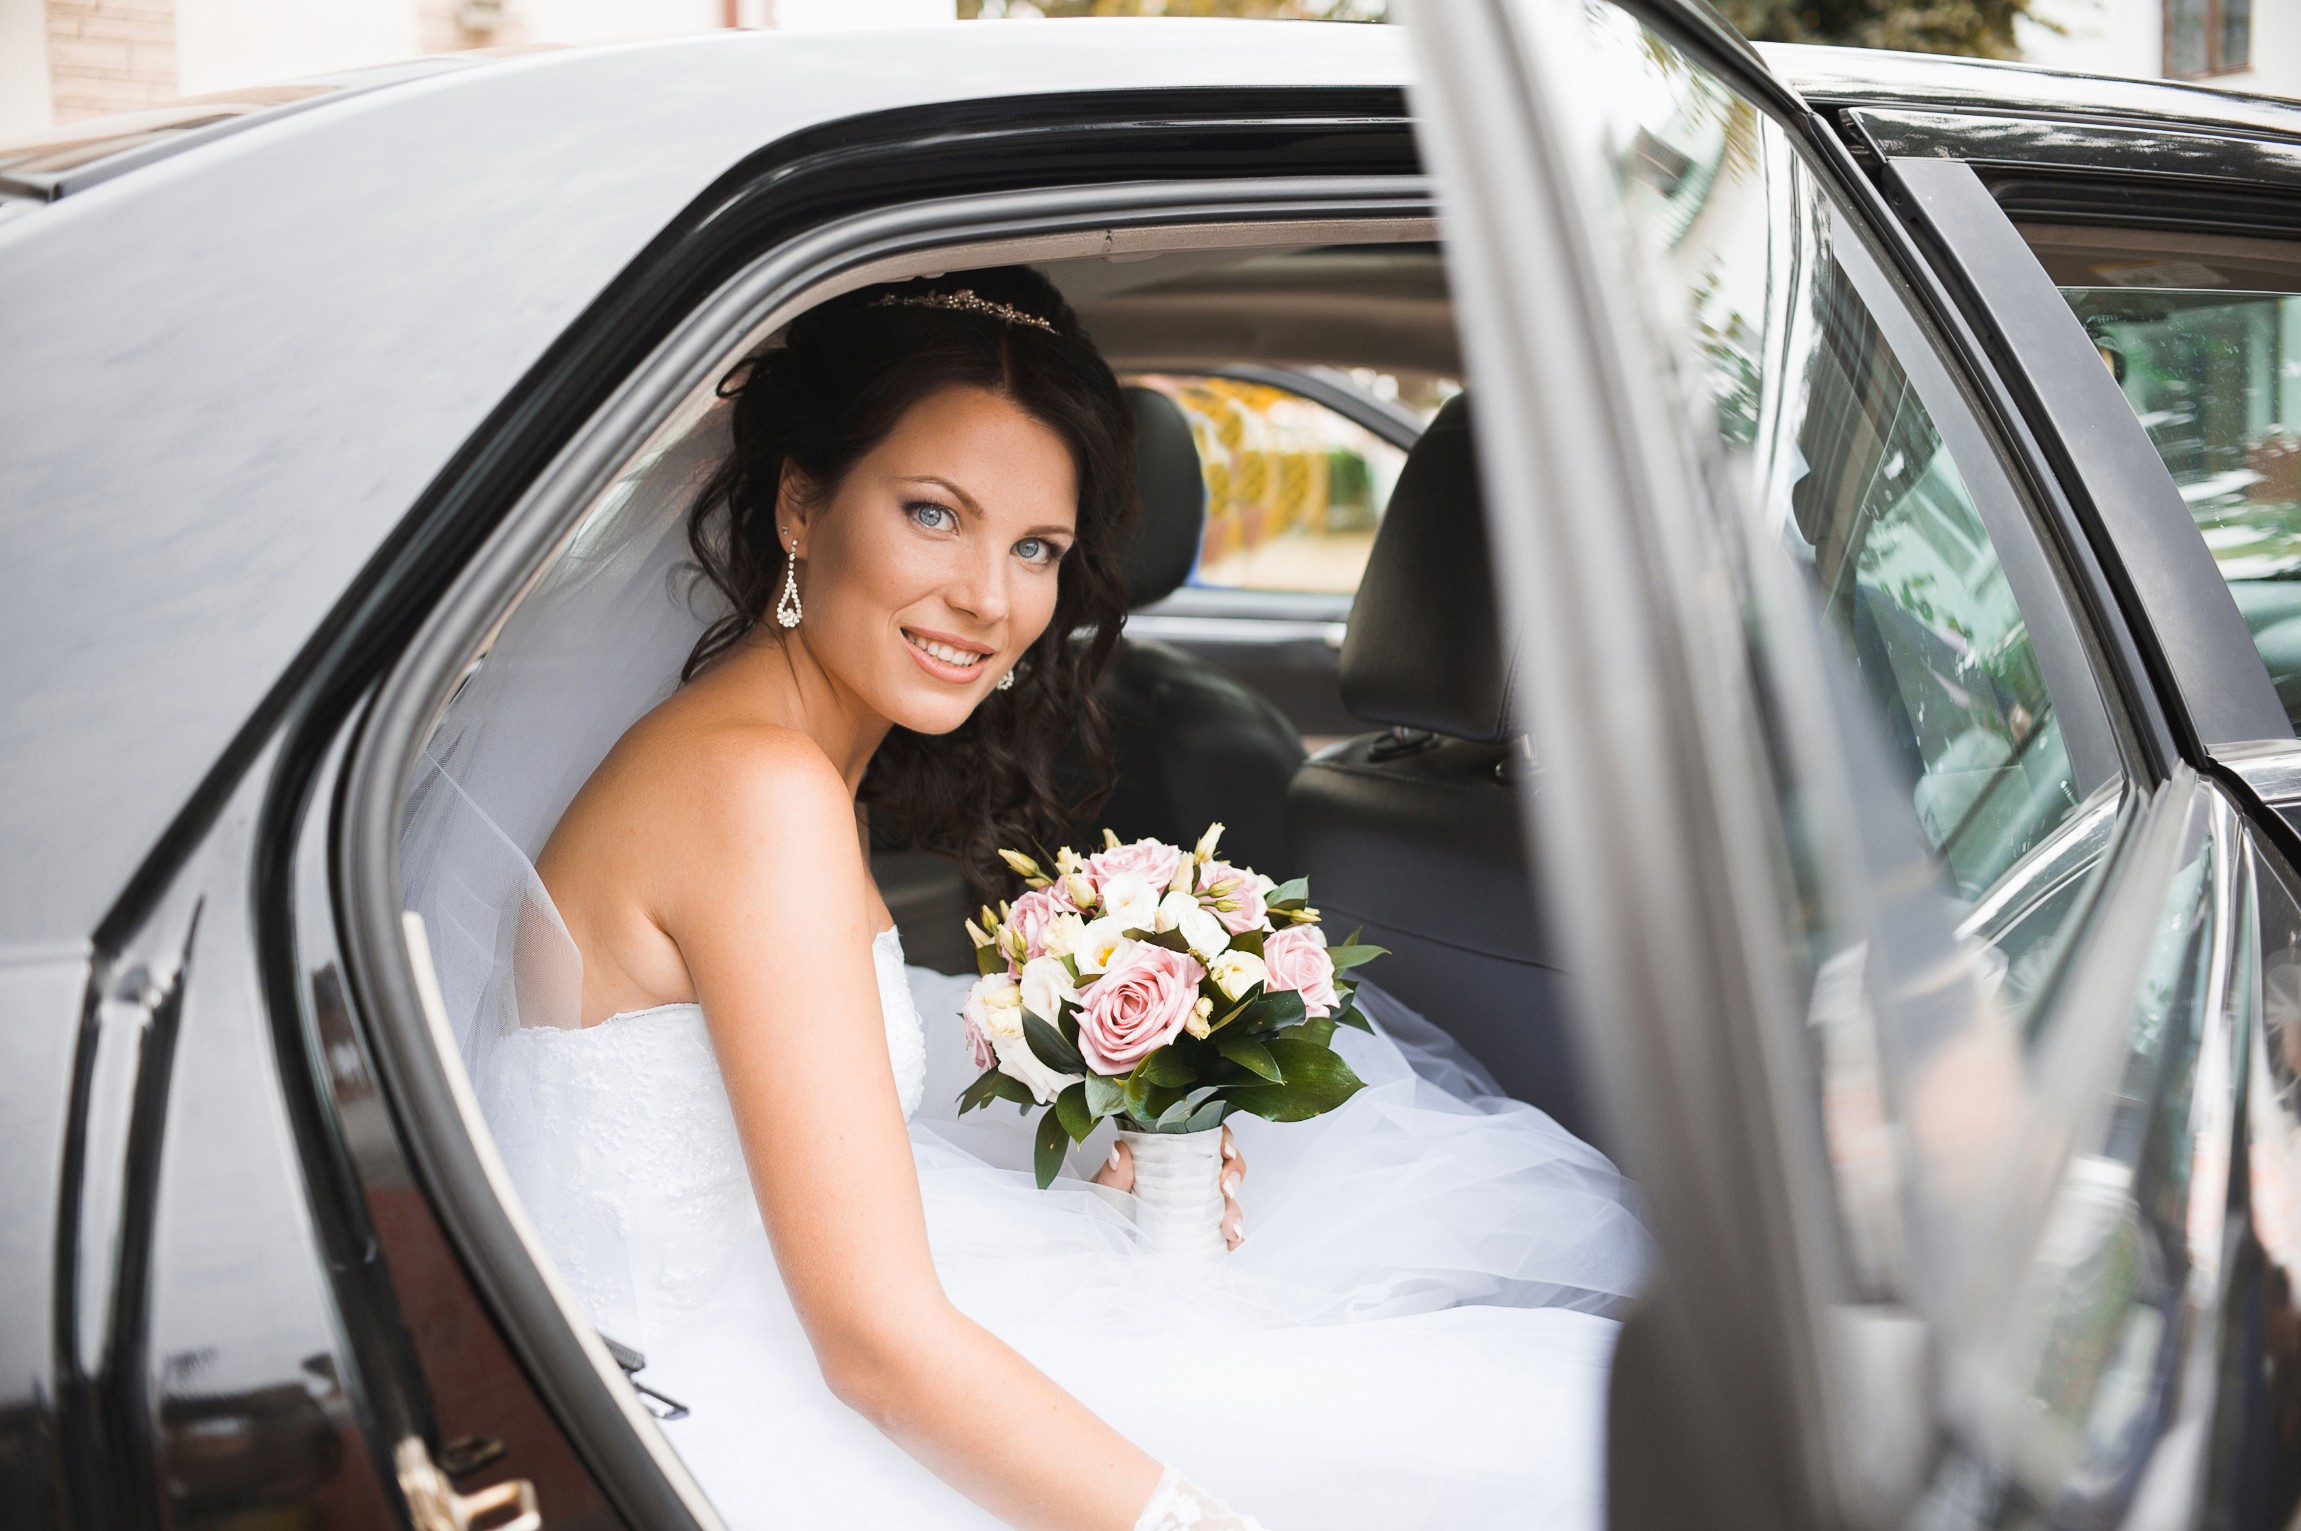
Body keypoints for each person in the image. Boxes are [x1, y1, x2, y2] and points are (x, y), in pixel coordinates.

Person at [476, 268, 1647, 1531]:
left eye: (1034, 547)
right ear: (802, 504)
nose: (990, 597)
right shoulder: (755, 791)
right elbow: (875, 1348)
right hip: (715, 1407)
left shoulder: (756, 755)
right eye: (934, 514)